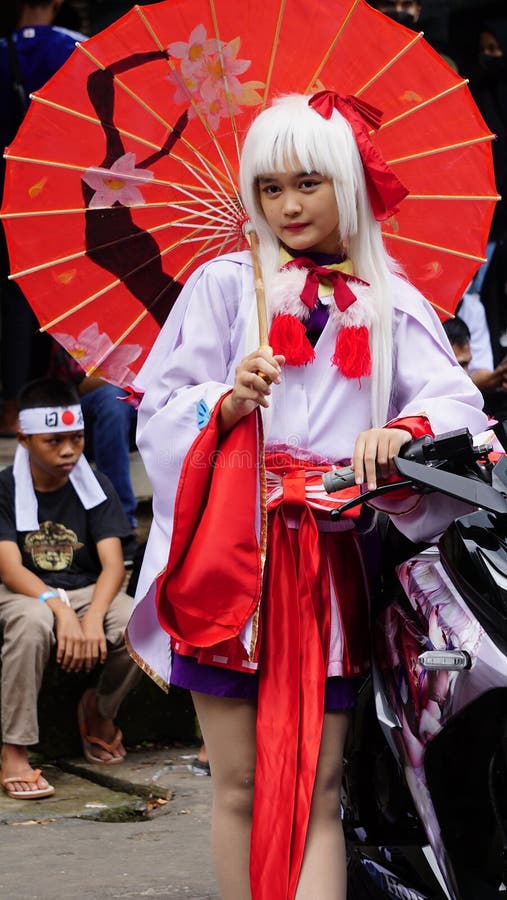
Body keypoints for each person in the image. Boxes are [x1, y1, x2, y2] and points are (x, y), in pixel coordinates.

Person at [126, 93, 487, 899]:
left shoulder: (392, 300)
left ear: (350, 185)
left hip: (330, 562)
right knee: (238, 785)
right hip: (230, 557)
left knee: (323, 790)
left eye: (309, 184)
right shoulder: (223, 285)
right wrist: (223, 399)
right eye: (270, 188)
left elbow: (463, 412)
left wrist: (406, 427)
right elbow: (158, 410)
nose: (288, 206)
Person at [0, 377, 141, 800]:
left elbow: (114, 564)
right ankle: (14, 748)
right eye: (54, 441)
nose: (68, 451)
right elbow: (9, 568)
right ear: (24, 439)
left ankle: (99, 711)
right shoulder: (6, 487)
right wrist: (60, 610)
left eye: (77, 439)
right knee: (31, 623)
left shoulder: (92, 481)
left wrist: (94, 614)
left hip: (85, 589)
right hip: (27, 592)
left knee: (139, 621)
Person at [0, 0, 86, 434]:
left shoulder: (1, 51)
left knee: (14, 298)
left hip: (5, 195)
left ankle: (13, 405)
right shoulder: (77, 50)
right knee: (68, 289)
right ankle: (65, 392)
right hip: (59, 195)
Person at [48, 343, 140, 562]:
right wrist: (136, 370)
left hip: (138, 409)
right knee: (112, 399)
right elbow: (85, 384)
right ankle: (119, 523)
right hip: (78, 418)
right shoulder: (76, 327)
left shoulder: (147, 324)